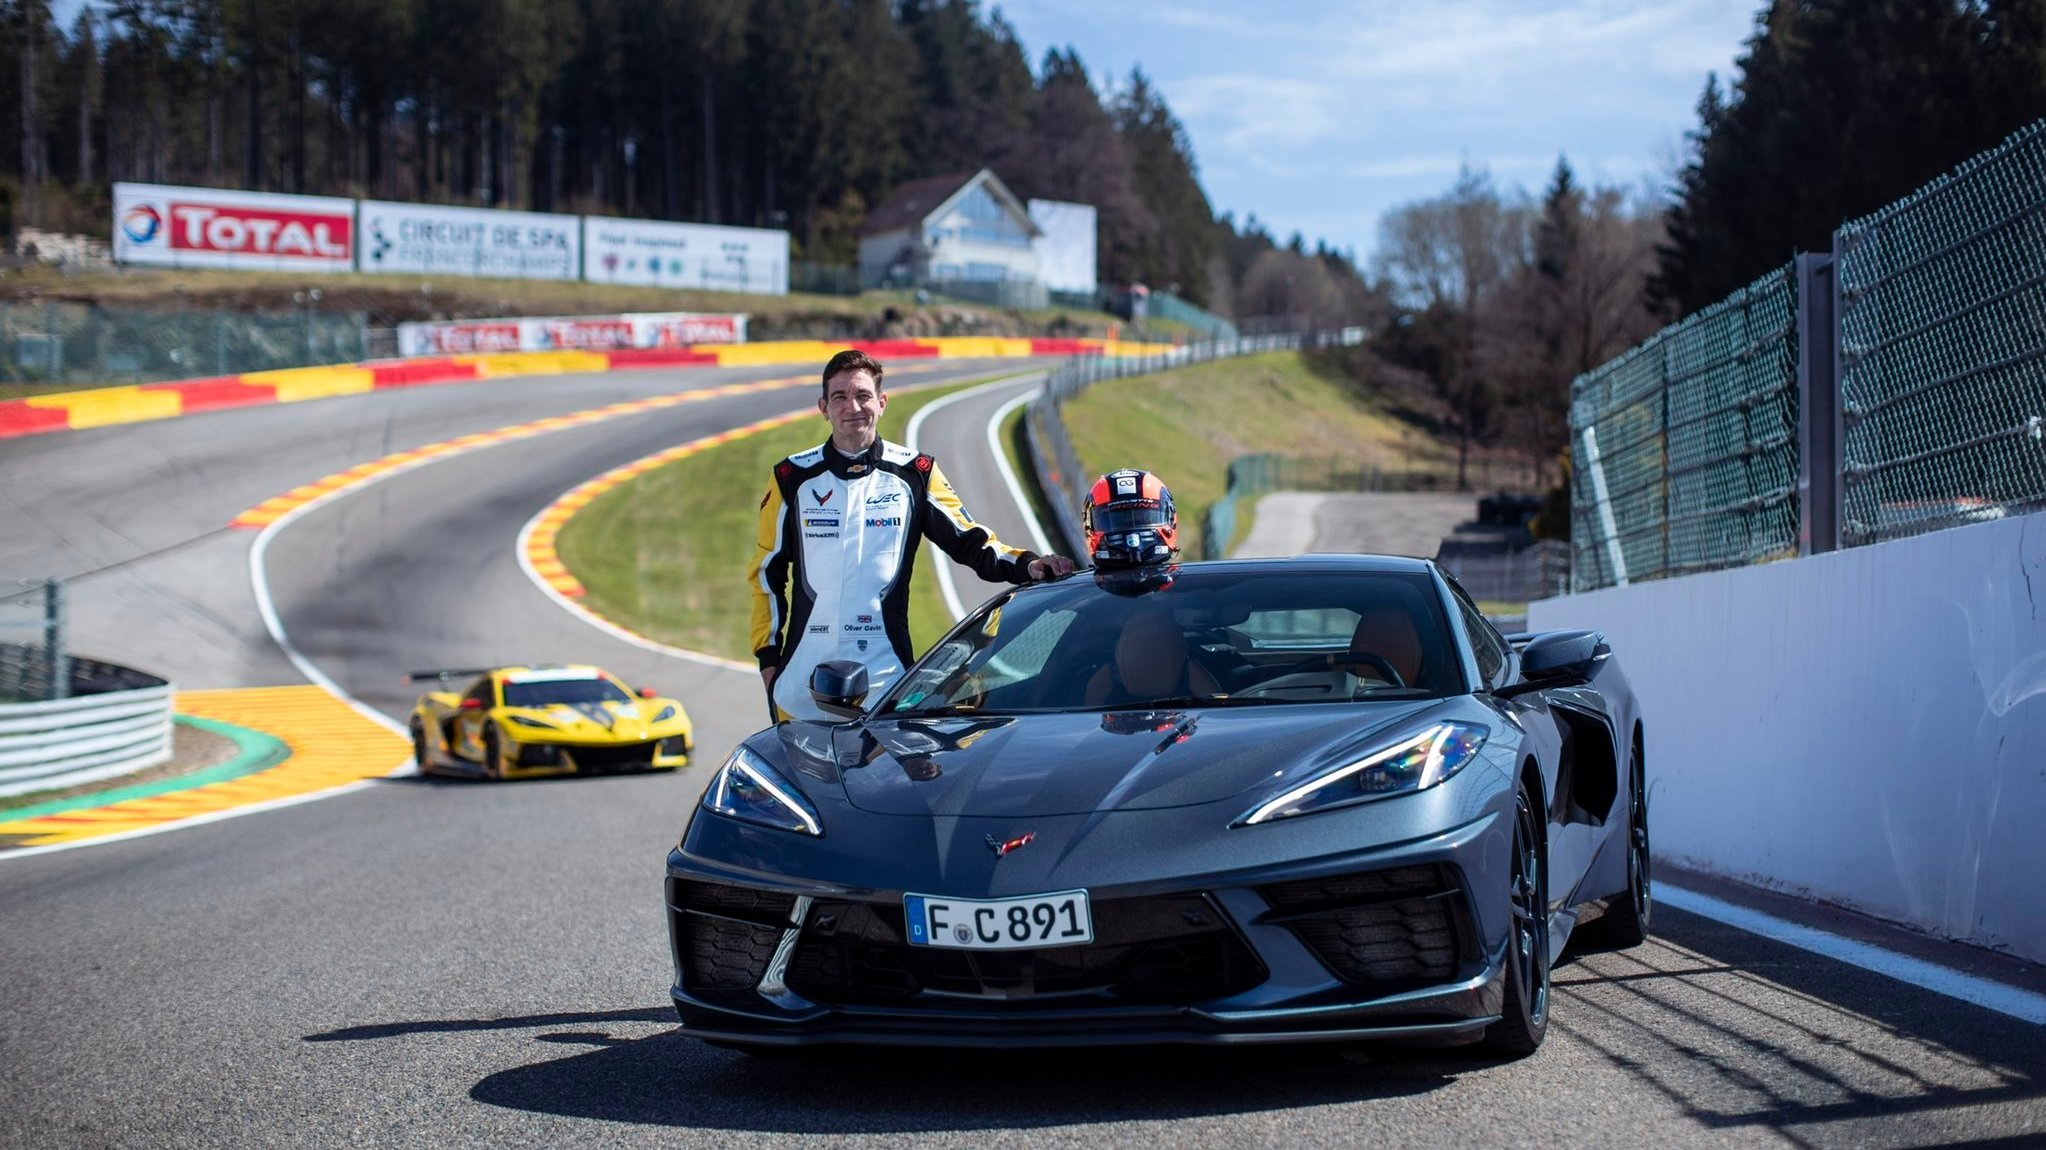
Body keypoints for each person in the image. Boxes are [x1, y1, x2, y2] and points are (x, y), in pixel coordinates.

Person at [751, 349, 1076, 721]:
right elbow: (766, 574)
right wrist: (768, 661)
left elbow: (971, 542)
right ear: (824, 407)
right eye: (839, 396)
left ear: (882, 403)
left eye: (863, 395)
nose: (852, 406)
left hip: (885, 682)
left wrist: (1028, 564)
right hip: (798, 686)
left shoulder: (915, 473)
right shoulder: (791, 477)